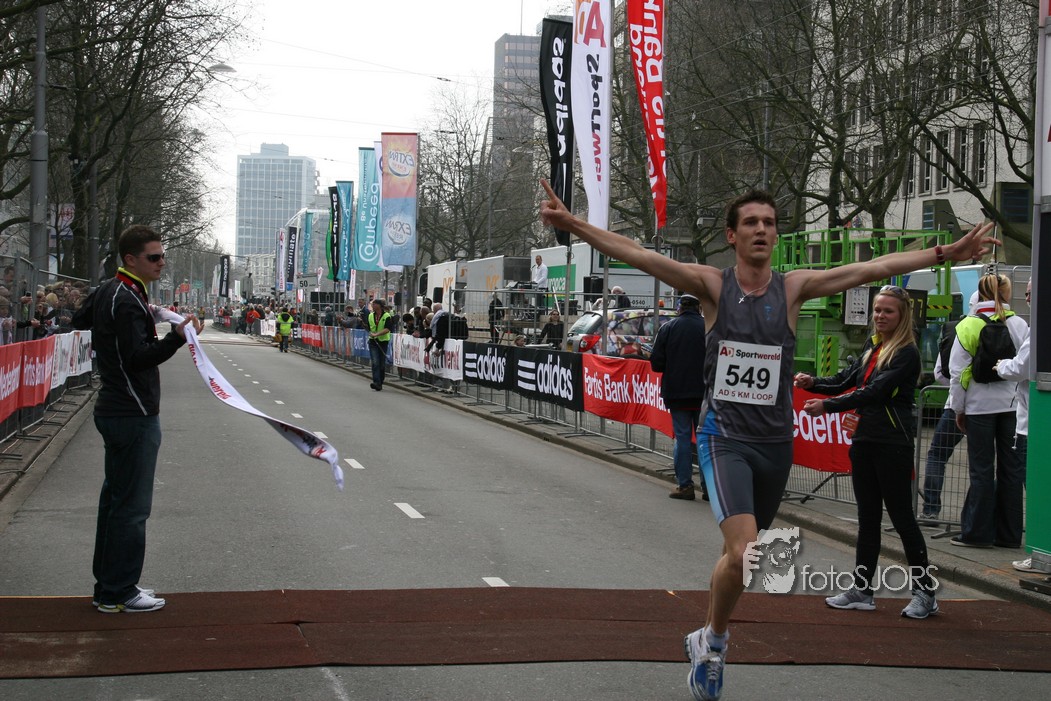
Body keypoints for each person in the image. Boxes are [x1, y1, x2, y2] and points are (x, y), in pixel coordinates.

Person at [539, 180, 996, 701]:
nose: (761, 230)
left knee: (739, 558)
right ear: (732, 235)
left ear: (776, 235)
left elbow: (872, 269)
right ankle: (715, 643)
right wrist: (573, 224)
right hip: (724, 438)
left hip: (775, 443)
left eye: (769, 223)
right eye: (751, 223)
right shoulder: (711, 285)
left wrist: (945, 253)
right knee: (744, 550)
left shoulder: (793, 288)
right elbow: (638, 254)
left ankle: (705, 634)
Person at [73, 224, 201, 613]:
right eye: (154, 257)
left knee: (115, 502)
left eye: (163, 256)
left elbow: (80, 318)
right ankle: (119, 591)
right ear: (131, 259)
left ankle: (109, 585)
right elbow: (138, 358)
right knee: (131, 507)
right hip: (132, 411)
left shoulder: (113, 290)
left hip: (118, 408)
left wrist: (150, 312)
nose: (162, 262)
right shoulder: (126, 299)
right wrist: (176, 338)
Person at [796, 285, 938, 618]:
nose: (880, 316)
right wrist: (813, 382)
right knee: (868, 519)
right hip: (864, 440)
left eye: (888, 311)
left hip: (892, 444)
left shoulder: (906, 353)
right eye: (877, 310)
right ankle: (862, 590)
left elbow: (874, 391)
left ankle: (925, 592)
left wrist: (827, 406)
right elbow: (847, 379)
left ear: (902, 315)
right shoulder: (873, 345)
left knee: (902, 519)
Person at [948, 273, 1028, 549]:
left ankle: (977, 534)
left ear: (979, 293)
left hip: (978, 407)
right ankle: (1009, 535)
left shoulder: (968, 325)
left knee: (981, 470)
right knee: (1012, 470)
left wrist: (958, 408)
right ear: (1007, 293)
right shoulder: (1019, 324)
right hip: (1012, 406)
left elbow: (958, 374)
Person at [921, 291, 978, 519]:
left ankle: (930, 511)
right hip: (995, 408)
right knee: (984, 466)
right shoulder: (1012, 326)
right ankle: (977, 518)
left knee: (937, 455)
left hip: (955, 405)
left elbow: (940, 373)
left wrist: (958, 391)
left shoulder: (956, 329)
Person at [650, 294, 707, 501]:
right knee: (705, 440)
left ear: (679, 308)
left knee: (682, 438)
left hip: (677, 392)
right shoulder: (709, 327)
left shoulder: (668, 328)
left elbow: (656, 364)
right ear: (698, 308)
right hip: (704, 393)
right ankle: (710, 489)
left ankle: (685, 485)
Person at [993, 278, 1032, 573]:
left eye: (1031, 292)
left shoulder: (1039, 327)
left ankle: (1040, 551)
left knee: (1035, 490)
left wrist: (1001, 366)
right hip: (1027, 420)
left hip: (1031, 426)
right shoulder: (1023, 324)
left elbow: (1022, 366)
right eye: (1025, 292)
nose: (1027, 297)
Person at [366, 298, 392, 390]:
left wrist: (376, 334)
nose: (372, 306)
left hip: (383, 341)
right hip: (373, 342)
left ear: (379, 306)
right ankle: (376, 382)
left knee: (381, 363)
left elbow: (387, 329)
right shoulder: (370, 316)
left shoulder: (387, 316)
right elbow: (369, 327)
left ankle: (380, 380)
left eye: (374, 304)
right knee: (375, 362)